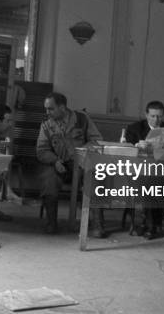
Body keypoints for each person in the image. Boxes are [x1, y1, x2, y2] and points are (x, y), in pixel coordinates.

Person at [35, 92, 105, 236]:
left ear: (62, 107)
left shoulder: (82, 119)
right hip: (59, 164)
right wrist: (54, 161)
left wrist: (82, 154)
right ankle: (51, 223)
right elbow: (41, 150)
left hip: (82, 163)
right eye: (46, 109)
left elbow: (96, 140)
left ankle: (97, 224)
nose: (47, 112)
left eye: (51, 109)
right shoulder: (47, 125)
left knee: (94, 181)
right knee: (49, 181)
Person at [123, 100, 164, 239]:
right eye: (153, 116)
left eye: (160, 116)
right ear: (146, 114)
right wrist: (137, 145)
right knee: (150, 183)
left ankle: (149, 224)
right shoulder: (134, 128)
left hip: (163, 171)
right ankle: (152, 225)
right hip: (138, 171)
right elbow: (126, 149)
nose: (156, 120)